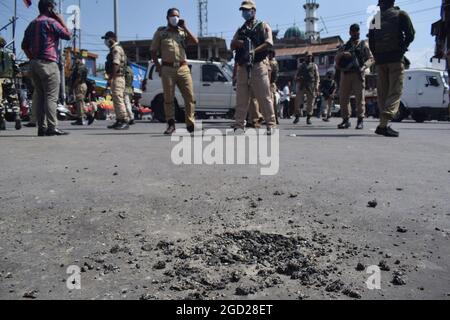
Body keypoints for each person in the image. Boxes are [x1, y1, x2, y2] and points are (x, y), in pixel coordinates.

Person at [21, 0, 71, 137]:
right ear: (50, 8)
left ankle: (41, 128)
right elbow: (67, 35)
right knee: (51, 97)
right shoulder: (51, 22)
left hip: (34, 64)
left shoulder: (32, 24)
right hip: (49, 63)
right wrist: (61, 19)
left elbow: (24, 45)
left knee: (41, 96)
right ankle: (52, 127)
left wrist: (32, 58)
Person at [369, 0, 415, 137]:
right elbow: (411, 34)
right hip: (395, 59)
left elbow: (371, 42)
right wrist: (402, 49)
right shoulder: (401, 14)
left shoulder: (375, 19)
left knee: (383, 92)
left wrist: (377, 56)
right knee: (395, 91)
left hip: (380, 61)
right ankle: (383, 125)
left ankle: (384, 124)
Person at [231, 0, 277, 135]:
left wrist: (254, 50)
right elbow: (232, 45)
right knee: (241, 98)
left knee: (264, 96)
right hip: (243, 65)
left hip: (259, 64)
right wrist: (238, 43)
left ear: (254, 11)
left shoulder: (263, 25)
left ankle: (271, 124)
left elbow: (269, 42)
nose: (245, 12)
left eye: (247, 10)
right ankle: (239, 125)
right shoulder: (241, 29)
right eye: (243, 10)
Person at [151, 8, 198, 135]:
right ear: (167, 17)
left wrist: (186, 27)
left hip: (183, 68)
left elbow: (195, 41)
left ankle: (190, 124)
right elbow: (153, 51)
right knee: (168, 98)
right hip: (167, 68)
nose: (175, 18)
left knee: (190, 97)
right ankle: (171, 124)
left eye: (177, 16)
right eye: (172, 16)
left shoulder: (183, 32)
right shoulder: (161, 33)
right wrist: (159, 68)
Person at [336, 24, 374, 130]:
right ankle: (345, 120)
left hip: (358, 73)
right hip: (346, 74)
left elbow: (371, 59)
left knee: (359, 98)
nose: (355, 33)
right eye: (353, 31)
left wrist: (364, 67)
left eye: (357, 31)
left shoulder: (363, 45)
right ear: (350, 32)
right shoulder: (344, 46)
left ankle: (360, 120)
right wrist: (344, 54)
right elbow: (337, 59)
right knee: (343, 98)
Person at [103, 31, 129, 130]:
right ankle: (119, 120)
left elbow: (116, 64)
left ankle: (124, 120)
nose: (105, 41)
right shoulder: (113, 49)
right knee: (116, 100)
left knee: (118, 99)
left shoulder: (116, 49)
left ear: (112, 39)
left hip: (117, 77)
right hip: (116, 77)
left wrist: (111, 78)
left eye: (107, 39)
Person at [293, 52, 319, 125]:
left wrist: (316, 86)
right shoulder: (301, 66)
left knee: (310, 102)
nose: (309, 58)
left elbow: (317, 77)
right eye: (308, 56)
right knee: (298, 101)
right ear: (305, 57)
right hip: (301, 84)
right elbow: (296, 76)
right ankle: (297, 116)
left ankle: (308, 117)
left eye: (310, 56)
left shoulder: (314, 66)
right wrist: (298, 79)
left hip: (311, 85)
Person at [70, 54, 91, 126]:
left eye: (76, 59)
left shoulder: (80, 67)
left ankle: (81, 118)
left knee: (79, 102)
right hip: (81, 85)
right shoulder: (80, 67)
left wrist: (73, 86)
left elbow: (78, 78)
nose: (75, 61)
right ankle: (88, 116)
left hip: (80, 85)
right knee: (81, 102)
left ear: (79, 59)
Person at [268, 49, 280, 125]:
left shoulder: (273, 63)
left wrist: (271, 82)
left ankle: (274, 118)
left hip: (271, 84)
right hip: (267, 83)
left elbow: (275, 74)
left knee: (272, 102)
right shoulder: (268, 62)